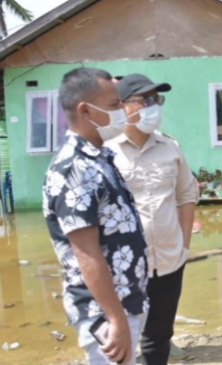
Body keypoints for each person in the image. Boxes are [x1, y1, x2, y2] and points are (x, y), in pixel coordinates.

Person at [42, 67, 149, 365]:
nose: (122, 111)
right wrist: (115, 318)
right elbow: (86, 253)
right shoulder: (73, 170)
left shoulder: (99, 159)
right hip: (104, 310)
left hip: (124, 301)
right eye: (114, 105)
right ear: (86, 111)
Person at [105, 74, 198, 365]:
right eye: (144, 100)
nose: (153, 106)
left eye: (155, 99)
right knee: (121, 338)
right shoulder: (105, 153)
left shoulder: (171, 147)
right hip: (124, 267)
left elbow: (185, 196)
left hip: (169, 262)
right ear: (121, 106)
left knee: (158, 337)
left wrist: (183, 246)